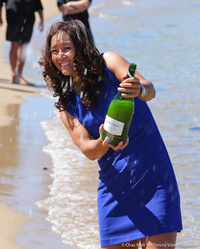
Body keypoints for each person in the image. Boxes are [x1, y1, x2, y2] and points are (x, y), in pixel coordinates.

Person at [39, 20, 182, 249]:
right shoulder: (65, 104)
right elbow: (87, 149)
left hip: (154, 177)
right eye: (54, 51)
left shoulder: (109, 62)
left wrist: (140, 89)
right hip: (115, 187)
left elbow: (149, 89)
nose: (60, 56)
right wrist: (103, 141)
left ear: (80, 46)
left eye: (66, 48)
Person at [0, 0, 44, 84]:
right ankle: (13, 73)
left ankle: (20, 74)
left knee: (24, 47)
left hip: (29, 19)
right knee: (15, 44)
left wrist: (42, 20)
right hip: (13, 17)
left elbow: (39, 5)